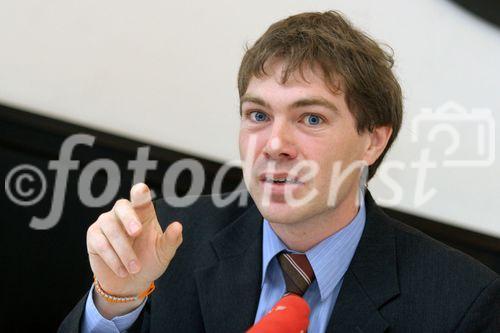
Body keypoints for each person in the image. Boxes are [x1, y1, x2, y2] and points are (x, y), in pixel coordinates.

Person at [58, 11, 499, 333]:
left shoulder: (461, 302)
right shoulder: (169, 244)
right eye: (257, 115)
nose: (274, 145)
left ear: (373, 141)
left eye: (311, 119)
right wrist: (117, 300)